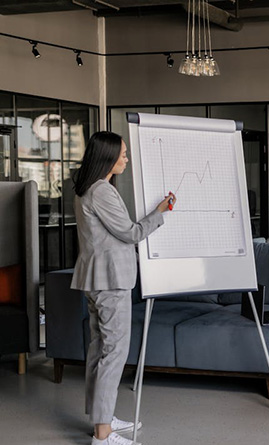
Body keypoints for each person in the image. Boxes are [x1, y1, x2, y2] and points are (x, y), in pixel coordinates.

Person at [71, 132, 176, 445]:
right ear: (108, 157)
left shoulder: (86, 187)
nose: (126, 159)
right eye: (123, 154)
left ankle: (102, 418)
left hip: (96, 279)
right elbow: (130, 233)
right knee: (113, 354)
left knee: (99, 351)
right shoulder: (101, 191)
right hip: (111, 281)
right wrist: (161, 212)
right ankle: (102, 435)